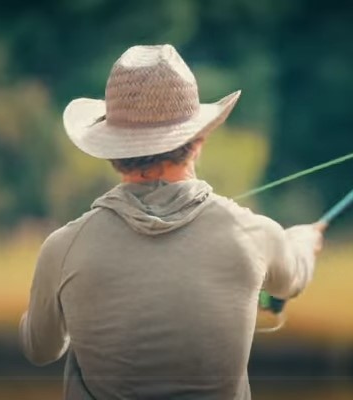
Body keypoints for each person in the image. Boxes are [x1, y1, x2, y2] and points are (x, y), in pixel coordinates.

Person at [19, 44, 324, 400]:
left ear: (112, 150)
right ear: (198, 140)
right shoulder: (259, 237)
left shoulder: (62, 247)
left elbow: (40, 349)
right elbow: (292, 280)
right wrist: (303, 241)